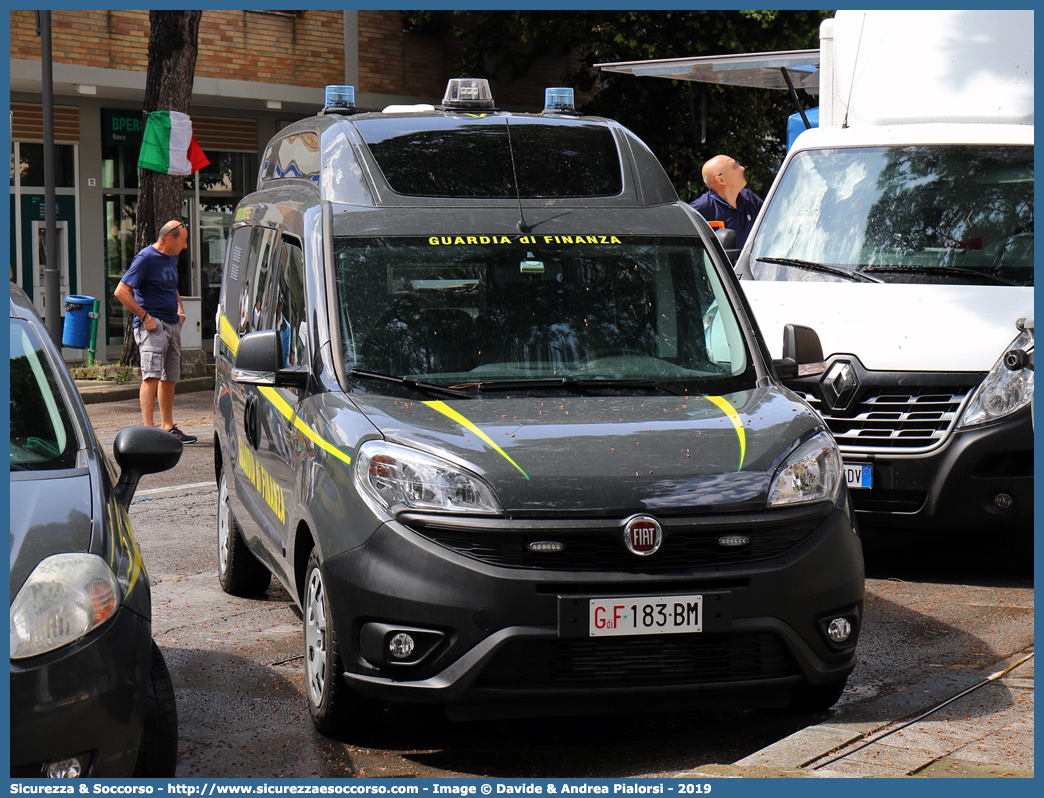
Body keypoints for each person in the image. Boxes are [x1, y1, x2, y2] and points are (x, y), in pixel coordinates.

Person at [114, 220, 197, 444]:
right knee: (151, 377)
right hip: (153, 326)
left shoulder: (170, 256)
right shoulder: (145, 258)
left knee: (169, 377)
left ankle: (167, 428)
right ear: (170, 238)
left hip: (172, 323)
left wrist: (179, 309)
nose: (186, 246)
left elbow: (171, 286)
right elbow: (121, 291)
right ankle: (149, 434)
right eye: (183, 240)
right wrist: (145, 317)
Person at [689, 155, 764, 250]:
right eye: (735, 166)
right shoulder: (698, 211)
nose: (742, 168)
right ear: (721, 180)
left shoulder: (750, 199)